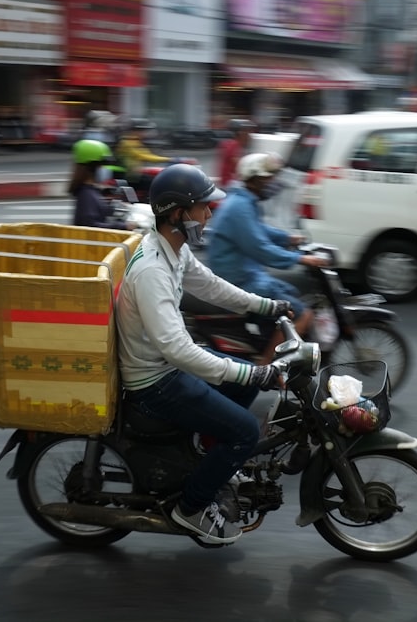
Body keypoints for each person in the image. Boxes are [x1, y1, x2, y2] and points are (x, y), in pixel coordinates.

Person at [115, 163, 291, 545]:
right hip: (153, 382)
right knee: (245, 430)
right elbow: (177, 349)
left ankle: (213, 465)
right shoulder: (152, 271)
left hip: (165, 367)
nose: (210, 214)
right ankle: (192, 508)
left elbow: (212, 286)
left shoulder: (173, 250)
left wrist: (265, 306)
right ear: (179, 214)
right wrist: (250, 373)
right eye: (203, 208)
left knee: (243, 383)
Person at [206, 152, 329, 365]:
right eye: (268, 178)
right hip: (241, 279)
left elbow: (259, 230)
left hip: (247, 273)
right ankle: (267, 365)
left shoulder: (243, 202)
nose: (272, 183)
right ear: (254, 180)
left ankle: (266, 341)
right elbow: (260, 248)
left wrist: (287, 238)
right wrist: (300, 259)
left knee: (291, 293)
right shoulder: (240, 207)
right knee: (301, 314)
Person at [68, 139, 133, 229]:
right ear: (92, 168)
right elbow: (91, 227)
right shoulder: (86, 194)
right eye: (102, 165)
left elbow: (100, 210)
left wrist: (118, 208)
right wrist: (125, 226)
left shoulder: (91, 190)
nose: (106, 169)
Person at [115, 119, 170, 193]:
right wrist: (169, 159)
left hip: (135, 174)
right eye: (143, 131)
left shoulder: (135, 141)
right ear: (135, 131)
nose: (145, 133)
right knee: (156, 184)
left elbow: (148, 154)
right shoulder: (127, 142)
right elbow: (143, 156)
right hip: (131, 176)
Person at [217, 119, 255, 189]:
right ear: (240, 133)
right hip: (230, 182)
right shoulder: (233, 145)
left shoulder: (232, 144)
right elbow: (239, 165)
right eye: (247, 131)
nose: (249, 135)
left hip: (230, 181)